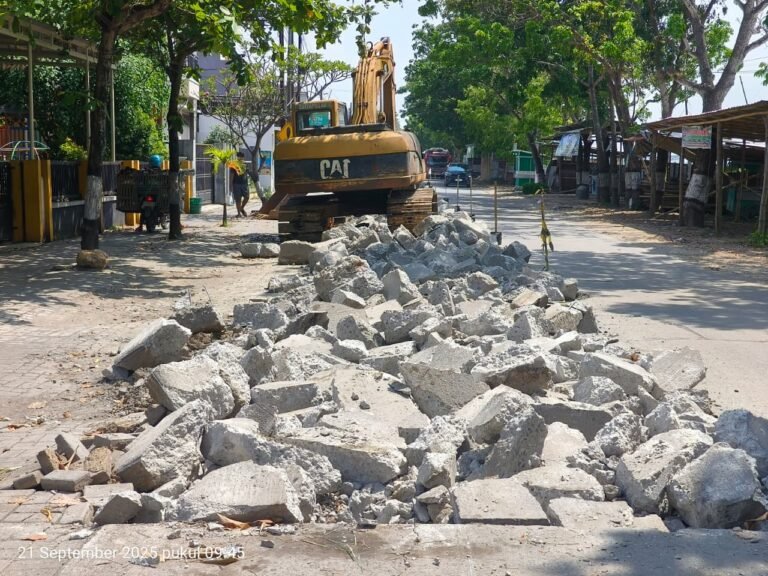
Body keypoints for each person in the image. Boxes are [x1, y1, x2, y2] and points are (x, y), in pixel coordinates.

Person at [230, 152, 249, 217]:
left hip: (244, 184)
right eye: (239, 156)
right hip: (236, 184)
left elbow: (246, 174)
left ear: (243, 157)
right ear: (237, 157)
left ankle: (241, 208)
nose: (240, 158)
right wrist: (231, 185)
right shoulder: (234, 164)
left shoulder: (245, 164)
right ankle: (238, 213)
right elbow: (232, 175)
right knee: (238, 199)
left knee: (247, 197)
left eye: (241, 156)